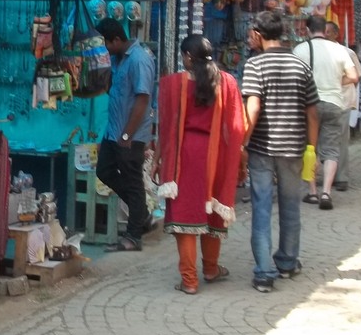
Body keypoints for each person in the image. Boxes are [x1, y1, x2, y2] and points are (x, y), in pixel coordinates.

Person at [157, 34, 247, 294]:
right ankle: (210, 268)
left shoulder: (174, 84)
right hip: (216, 154)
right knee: (212, 211)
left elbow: (166, 126)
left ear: (187, 57)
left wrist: (160, 158)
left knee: (185, 214)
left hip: (185, 155)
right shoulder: (227, 82)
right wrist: (238, 159)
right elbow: (238, 125)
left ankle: (189, 280)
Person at [241, 8, 319, 293]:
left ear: (258, 34)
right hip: (294, 148)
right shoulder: (300, 65)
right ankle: (287, 262)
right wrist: (312, 149)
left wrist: (243, 142)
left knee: (261, 207)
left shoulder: (255, 65)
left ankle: (264, 272)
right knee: (290, 205)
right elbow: (313, 113)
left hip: (262, 148)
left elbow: (253, 108)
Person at [95, 18, 156, 251]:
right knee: (104, 171)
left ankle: (133, 237)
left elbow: (143, 99)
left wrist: (127, 135)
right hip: (113, 131)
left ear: (117, 40)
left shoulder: (139, 59)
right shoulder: (116, 59)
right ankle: (142, 215)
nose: (105, 49)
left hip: (131, 134)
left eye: (106, 44)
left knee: (133, 182)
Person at [294, 15, 358, 210]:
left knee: (310, 147)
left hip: (310, 104)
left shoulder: (301, 49)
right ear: (324, 29)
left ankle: (313, 191)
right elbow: (354, 76)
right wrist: (337, 83)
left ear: (308, 30)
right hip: (334, 103)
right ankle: (327, 192)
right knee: (331, 149)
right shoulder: (339, 49)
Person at [325, 20, 361, 191]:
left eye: (328, 32)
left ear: (336, 34)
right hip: (323, 100)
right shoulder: (319, 53)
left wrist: (338, 83)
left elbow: (357, 76)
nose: (325, 35)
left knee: (341, 139)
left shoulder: (347, 52)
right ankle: (327, 175)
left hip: (343, 100)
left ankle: (341, 177)